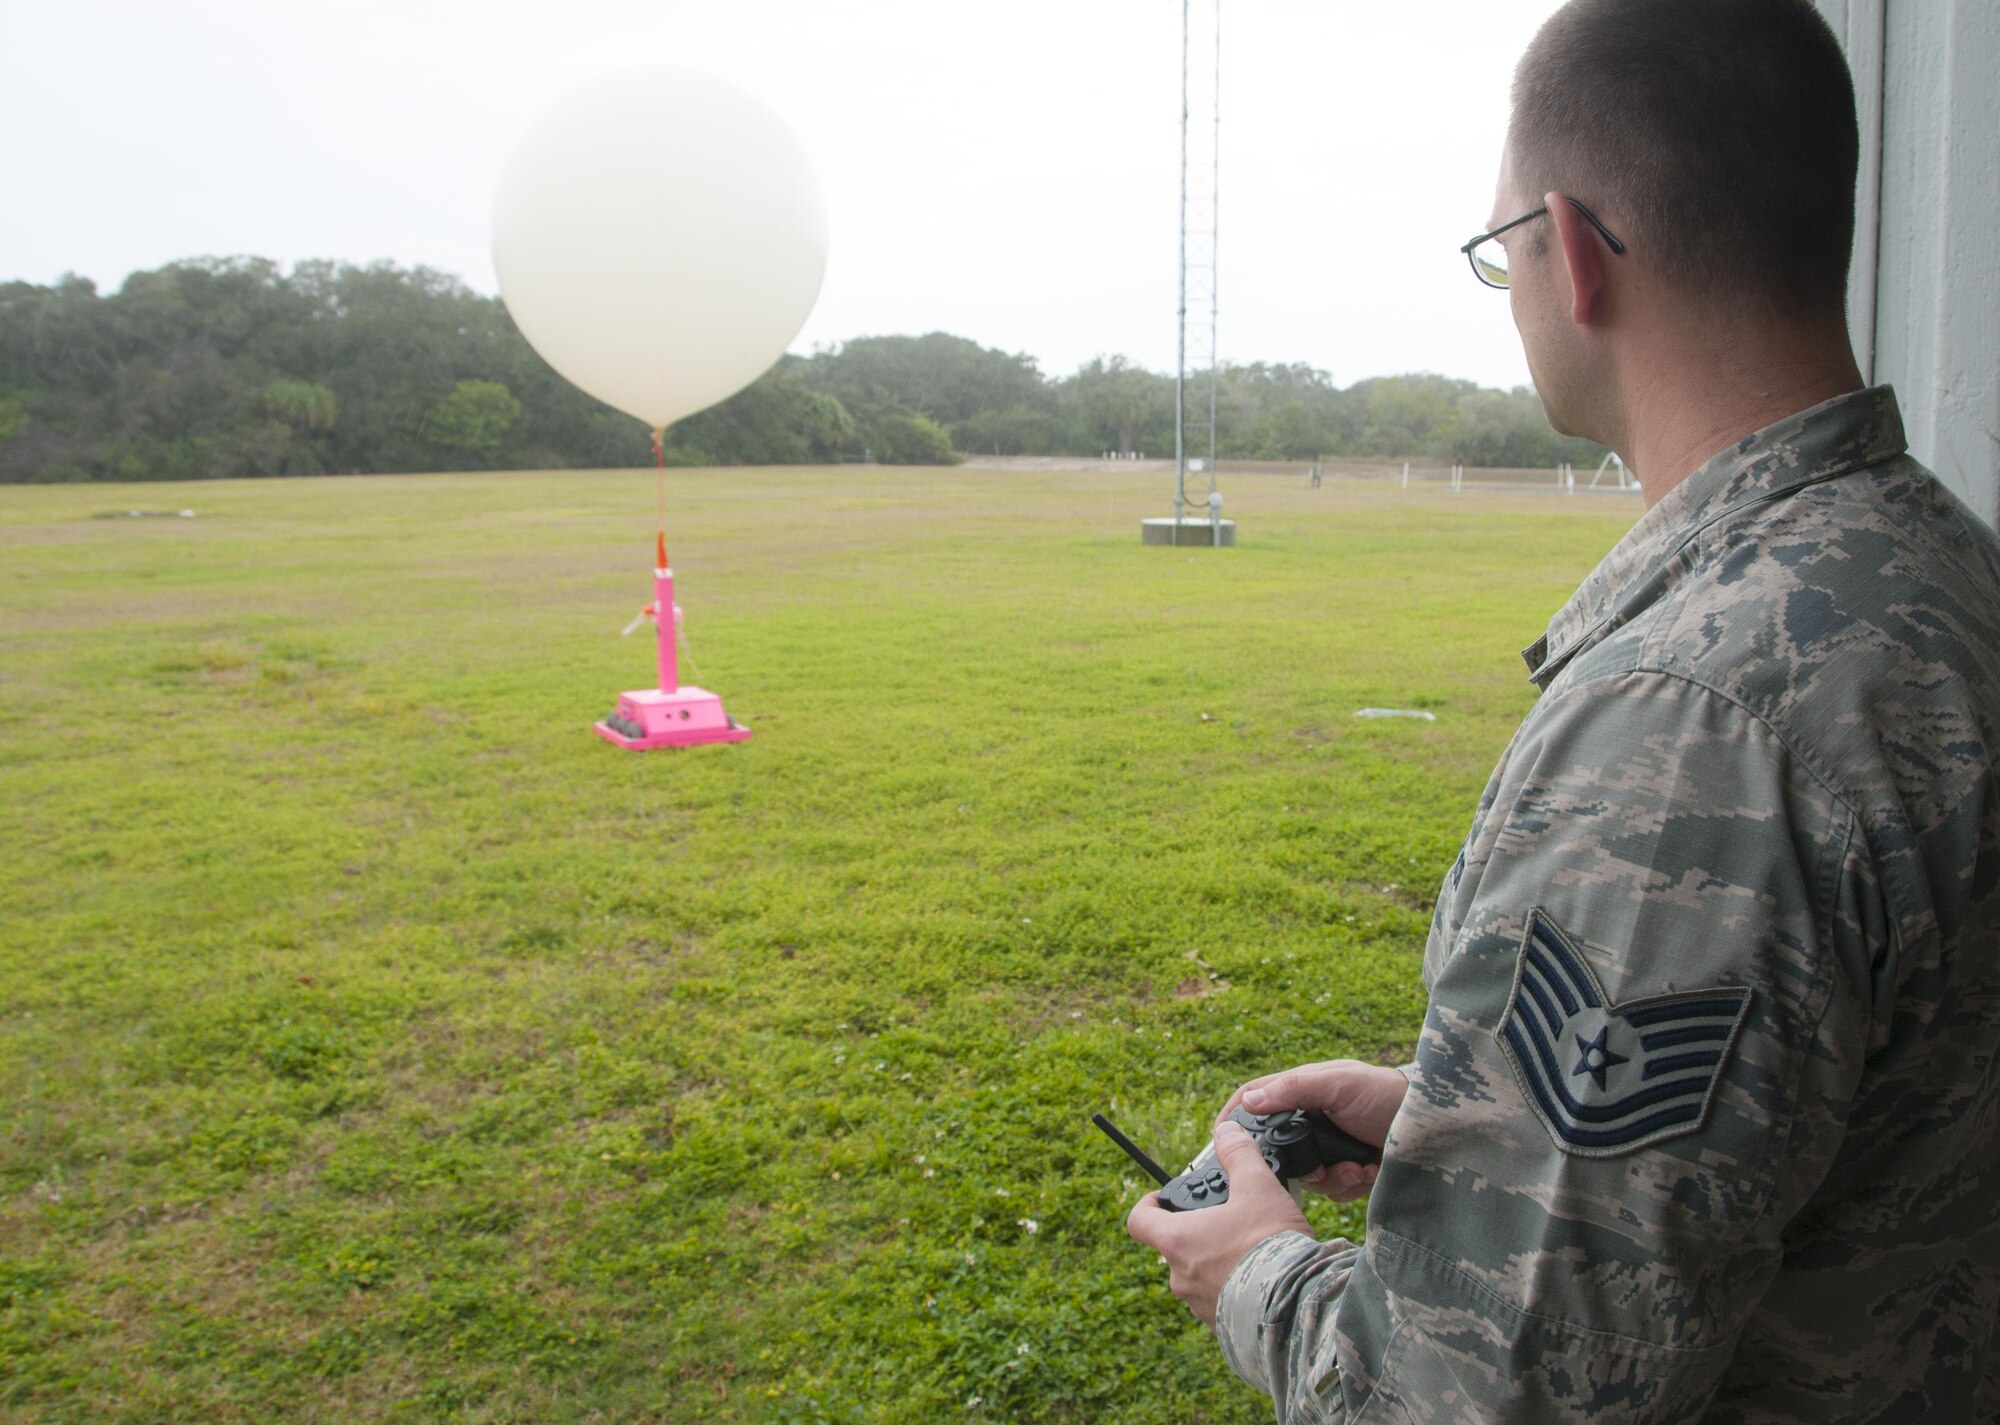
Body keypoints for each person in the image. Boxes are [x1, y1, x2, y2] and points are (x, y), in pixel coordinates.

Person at [1126, 0, 2000, 1419]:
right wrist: (1476, 1122)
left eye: (1498, 255)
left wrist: (1261, 1274)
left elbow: (1478, 1399)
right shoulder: (1942, 569)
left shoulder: (1690, 720)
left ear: (1571, 250)